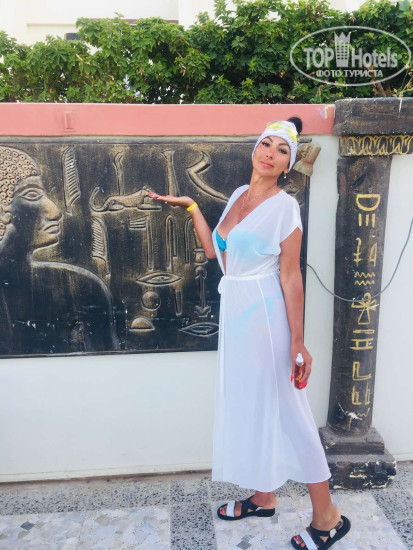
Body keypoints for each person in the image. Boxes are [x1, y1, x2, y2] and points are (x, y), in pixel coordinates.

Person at [147, 118, 351, 549]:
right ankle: (264, 497)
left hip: (265, 314)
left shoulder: (285, 208)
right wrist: (192, 208)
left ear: (287, 164)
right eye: (266, 144)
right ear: (255, 150)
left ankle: (328, 517)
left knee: (289, 411)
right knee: (252, 404)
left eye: (281, 150)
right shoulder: (240, 194)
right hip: (238, 310)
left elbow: (291, 276)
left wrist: (297, 342)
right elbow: (215, 250)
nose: (270, 153)